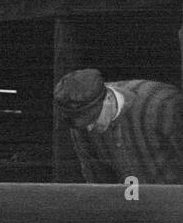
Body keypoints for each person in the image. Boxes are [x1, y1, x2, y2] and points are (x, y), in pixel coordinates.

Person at [53, 68, 183, 183]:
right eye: (82, 124)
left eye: (93, 119)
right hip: (132, 206)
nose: (89, 128)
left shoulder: (163, 106)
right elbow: (99, 184)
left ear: (108, 98)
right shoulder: (81, 127)